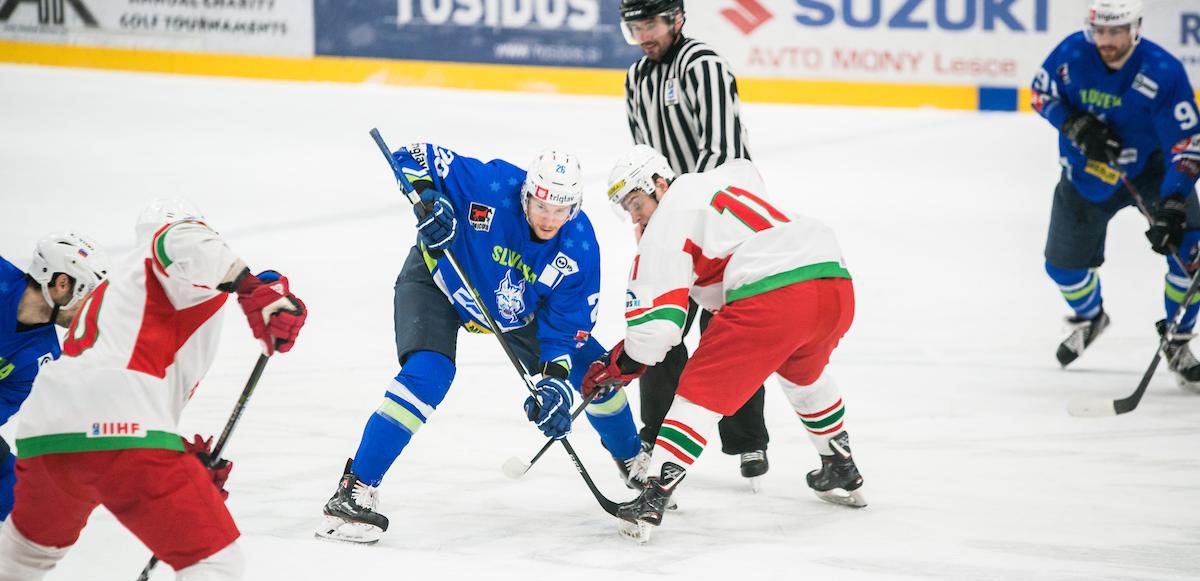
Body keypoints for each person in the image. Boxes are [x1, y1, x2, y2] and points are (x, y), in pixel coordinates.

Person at [0, 199, 307, 581]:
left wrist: (180, 455)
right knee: (213, 558)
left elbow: (141, 384)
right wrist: (252, 289)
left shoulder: (131, 299)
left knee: (24, 554)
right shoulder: (170, 250)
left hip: (50, 433)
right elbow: (185, 240)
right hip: (119, 429)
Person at [316, 144, 641, 545]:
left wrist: (554, 383)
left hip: (514, 309)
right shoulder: (492, 184)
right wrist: (430, 199)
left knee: (595, 371)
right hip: (440, 281)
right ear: (527, 193)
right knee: (429, 374)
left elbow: (564, 328)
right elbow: (412, 155)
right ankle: (354, 488)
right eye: (541, 206)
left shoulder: (578, 246)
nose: (549, 218)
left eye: (561, 210)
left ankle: (633, 459)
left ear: (573, 207)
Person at [584, 146, 867, 543]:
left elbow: (659, 330)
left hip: (775, 294)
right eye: (626, 209)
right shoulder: (720, 183)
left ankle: (653, 496)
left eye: (636, 202)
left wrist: (622, 364)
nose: (635, 216)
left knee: (699, 389)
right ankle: (840, 462)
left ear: (660, 184)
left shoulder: (669, 218)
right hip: (833, 280)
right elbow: (745, 169)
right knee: (806, 374)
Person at [619, 0, 773, 484]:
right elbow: (646, 157)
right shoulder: (636, 79)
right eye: (635, 26)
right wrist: (649, 216)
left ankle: (748, 441)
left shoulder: (703, 65)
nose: (644, 34)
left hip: (724, 222)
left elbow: (722, 155)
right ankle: (656, 433)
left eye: (652, 24)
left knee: (729, 327)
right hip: (674, 221)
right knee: (660, 324)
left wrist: (681, 216)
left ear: (677, 19)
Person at [1031, 0, 1200, 390]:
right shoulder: (1072, 54)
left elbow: (1188, 142)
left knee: (1189, 252)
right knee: (1063, 267)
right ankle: (1091, 317)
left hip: (1151, 172)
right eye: (1100, 31)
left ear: (1135, 28)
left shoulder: (1162, 71)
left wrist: (1174, 201)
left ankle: (1177, 340)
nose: (1106, 40)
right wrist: (1074, 124)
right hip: (1085, 173)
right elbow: (1041, 94)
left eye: (1116, 31)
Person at [0, 233, 109, 521]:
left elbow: (5, 400)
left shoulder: (43, 355)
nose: (91, 311)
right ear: (62, 284)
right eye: (87, 296)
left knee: (13, 488)